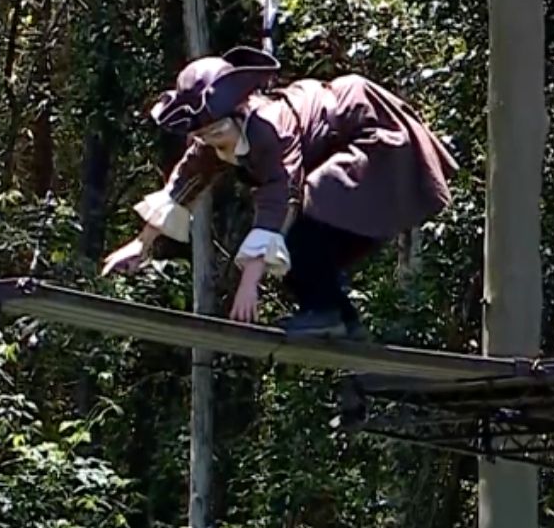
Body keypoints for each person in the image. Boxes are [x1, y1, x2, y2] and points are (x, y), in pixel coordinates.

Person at [100, 47, 459, 339]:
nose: (211, 141)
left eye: (216, 132)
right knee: (296, 250)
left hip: (372, 136)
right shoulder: (211, 140)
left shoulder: (271, 129)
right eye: (203, 136)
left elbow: (279, 196)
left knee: (305, 217)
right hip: (335, 153)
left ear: (238, 113)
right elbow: (183, 184)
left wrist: (249, 284)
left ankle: (327, 312)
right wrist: (141, 244)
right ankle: (342, 321)